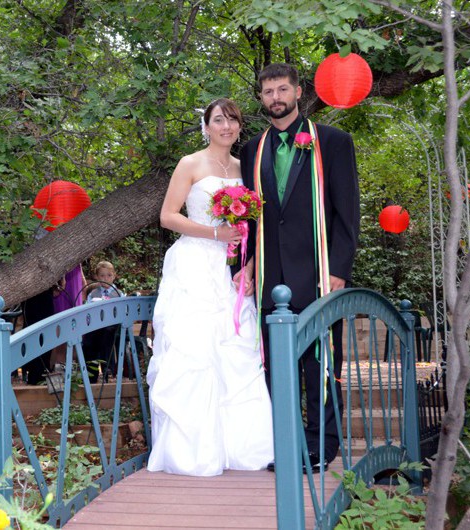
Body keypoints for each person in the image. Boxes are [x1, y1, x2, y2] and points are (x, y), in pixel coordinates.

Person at [235, 63, 360, 473]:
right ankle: (285, 446)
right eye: (268, 91)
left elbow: (347, 213)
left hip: (319, 271)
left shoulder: (333, 142)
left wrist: (339, 268)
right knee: (276, 366)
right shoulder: (252, 150)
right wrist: (249, 264)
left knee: (321, 364)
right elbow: (255, 219)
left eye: (282, 89)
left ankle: (322, 448)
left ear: (299, 91)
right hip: (272, 276)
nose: (276, 98)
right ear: (261, 98)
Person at [146, 98, 274, 476]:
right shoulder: (190, 163)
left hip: (231, 268)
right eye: (219, 120)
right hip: (195, 263)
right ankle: (193, 453)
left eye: (232, 120)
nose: (226, 126)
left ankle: (242, 449)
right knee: (196, 352)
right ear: (206, 125)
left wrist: (248, 265)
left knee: (236, 353)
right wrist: (215, 232)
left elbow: (257, 224)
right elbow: (168, 216)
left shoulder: (245, 167)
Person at [82, 261, 123, 383]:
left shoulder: (118, 294)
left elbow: (122, 312)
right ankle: (91, 373)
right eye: (102, 276)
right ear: (97, 277)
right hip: (95, 326)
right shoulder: (93, 293)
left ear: (114, 276)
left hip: (112, 326)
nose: (106, 278)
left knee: (106, 336)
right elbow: (87, 311)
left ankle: (108, 369)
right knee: (88, 341)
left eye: (109, 275)